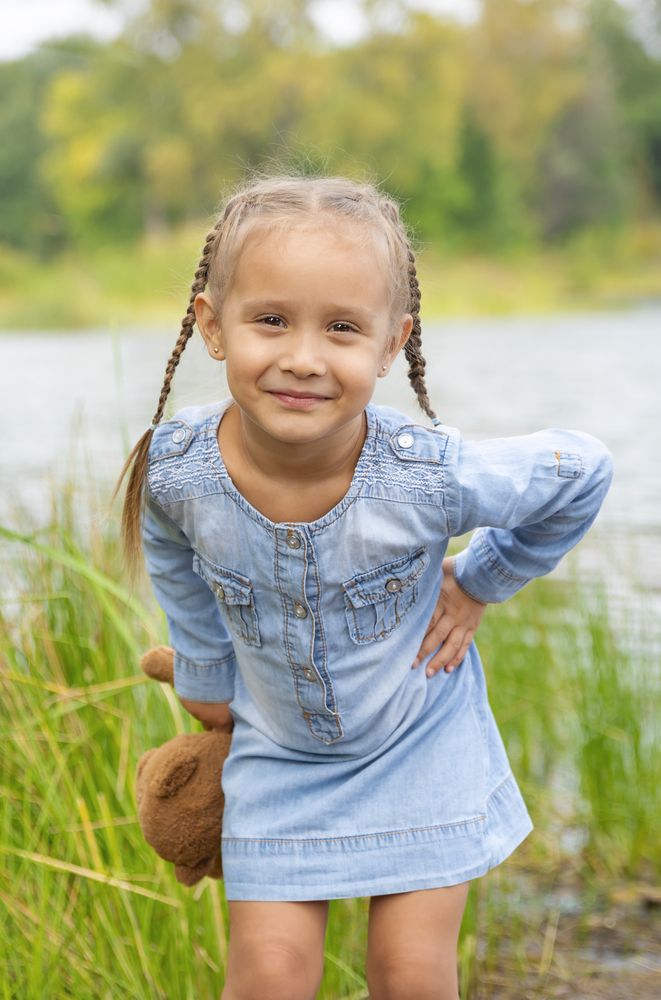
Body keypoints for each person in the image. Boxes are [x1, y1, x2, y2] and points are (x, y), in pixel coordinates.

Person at [113, 173, 614, 1000]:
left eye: (342, 328)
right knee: (267, 974)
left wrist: (479, 580)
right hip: (278, 752)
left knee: (407, 973)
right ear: (211, 323)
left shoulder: (426, 476)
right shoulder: (178, 469)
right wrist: (203, 673)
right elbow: (171, 556)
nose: (303, 358)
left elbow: (581, 471)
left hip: (418, 740)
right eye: (270, 320)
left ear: (390, 344)